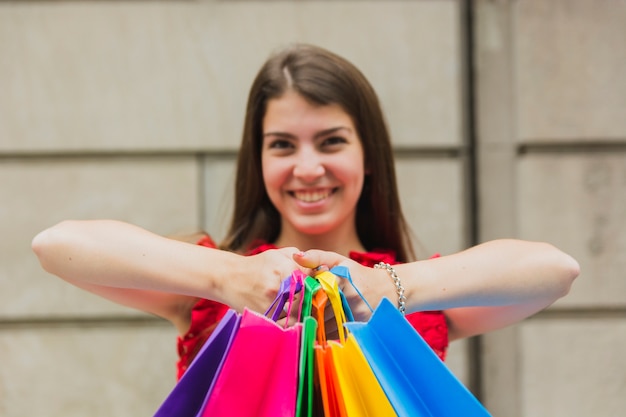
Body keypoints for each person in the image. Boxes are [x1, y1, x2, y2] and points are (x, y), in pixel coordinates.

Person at [31, 43, 580, 380]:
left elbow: (556, 270)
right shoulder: (210, 287)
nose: (308, 168)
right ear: (259, 161)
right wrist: (231, 276)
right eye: (283, 146)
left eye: (332, 141)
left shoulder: (415, 304)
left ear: (369, 159)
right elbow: (56, 244)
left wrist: (393, 286)